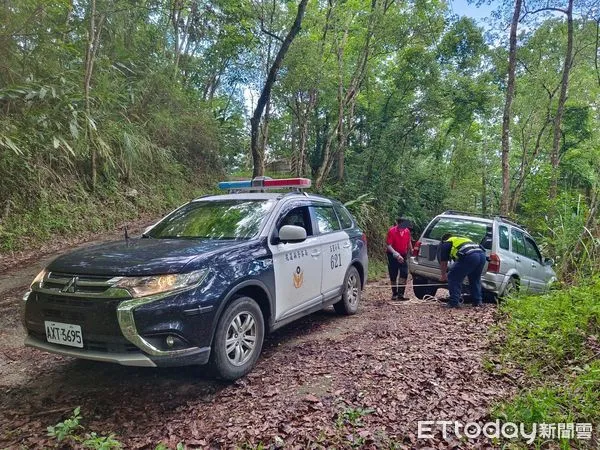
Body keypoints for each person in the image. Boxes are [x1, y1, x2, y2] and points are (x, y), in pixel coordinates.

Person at [437, 233, 487, 308]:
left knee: (453, 276)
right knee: (475, 278)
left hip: (470, 256)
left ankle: (454, 302)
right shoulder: (463, 239)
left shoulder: (446, 243)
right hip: (482, 255)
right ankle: (478, 301)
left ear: (444, 240)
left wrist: (443, 275)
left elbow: (443, 261)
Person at [386, 218, 413, 300]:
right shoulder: (392, 231)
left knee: (404, 273)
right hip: (392, 254)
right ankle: (394, 293)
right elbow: (388, 245)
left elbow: (409, 242)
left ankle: (401, 294)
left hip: (403, 254)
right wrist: (396, 254)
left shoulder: (407, 231)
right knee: (393, 274)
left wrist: (411, 251)